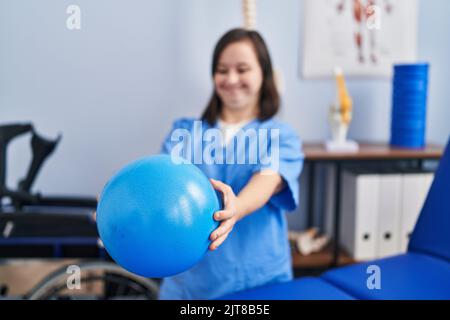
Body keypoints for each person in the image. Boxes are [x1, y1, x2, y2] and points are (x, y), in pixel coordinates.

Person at [159, 28, 303, 300]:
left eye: (243, 69)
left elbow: (268, 179)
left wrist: (237, 207)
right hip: (190, 285)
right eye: (222, 70)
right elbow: (162, 187)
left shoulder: (281, 136)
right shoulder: (185, 133)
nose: (231, 79)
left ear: (264, 73)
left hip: (260, 283)